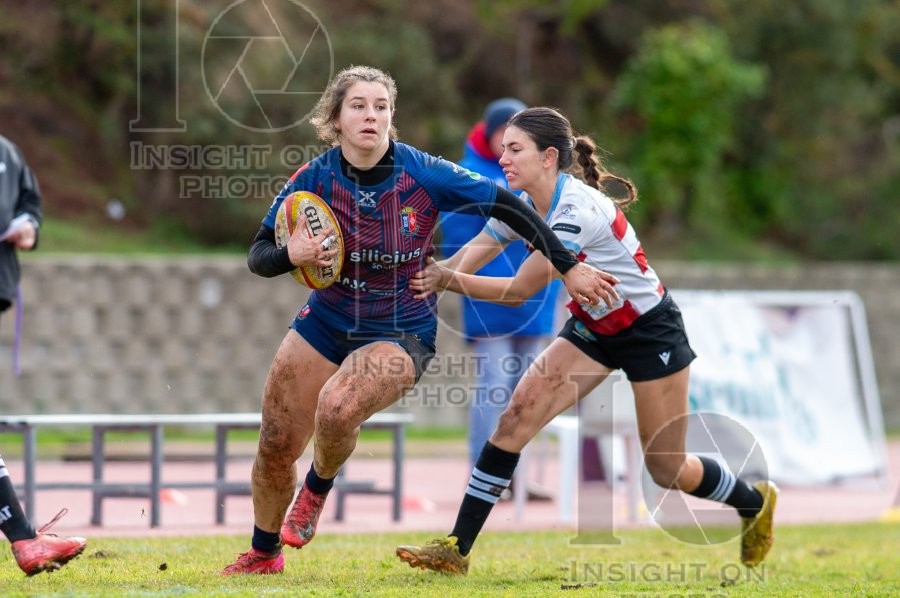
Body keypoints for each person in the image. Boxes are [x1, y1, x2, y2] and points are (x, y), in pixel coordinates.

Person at [221, 67, 618, 575]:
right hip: (325, 319)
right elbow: (257, 254)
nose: (372, 115)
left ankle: (316, 488)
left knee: (338, 407)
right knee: (275, 442)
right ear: (336, 119)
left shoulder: (425, 173)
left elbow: (511, 208)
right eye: (359, 106)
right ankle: (263, 554)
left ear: (392, 116)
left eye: (382, 106)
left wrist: (568, 265)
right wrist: (289, 253)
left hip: (401, 328)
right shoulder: (313, 180)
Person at [395, 107, 778, 574]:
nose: (505, 161)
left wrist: (443, 281)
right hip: (594, 328)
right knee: (515, 418)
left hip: (649, 331)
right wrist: (422, 274)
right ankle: (456, 549)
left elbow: (518, 291)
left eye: (515, 150)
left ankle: (752, 502)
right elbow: (468, 259)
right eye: (502, 151)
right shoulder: (517, 203)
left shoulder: (575, 212)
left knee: (667, 468)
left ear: (549, 157)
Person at [440, 98, 559, 499]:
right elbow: (460, 240)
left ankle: (519, 478)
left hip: (535, 301)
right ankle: (484, 477)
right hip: (489, 301)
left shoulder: (540, 175)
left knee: (529, 394)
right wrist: (493, 284)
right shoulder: (470, 176)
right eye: (503, 136)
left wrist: (539, 286)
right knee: (493, 389)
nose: (508, 146)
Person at [0, 134, 87, 575]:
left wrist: (27, 228)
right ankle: (23, 539)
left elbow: (29, 205)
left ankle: (23, 539)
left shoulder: (7, 153)